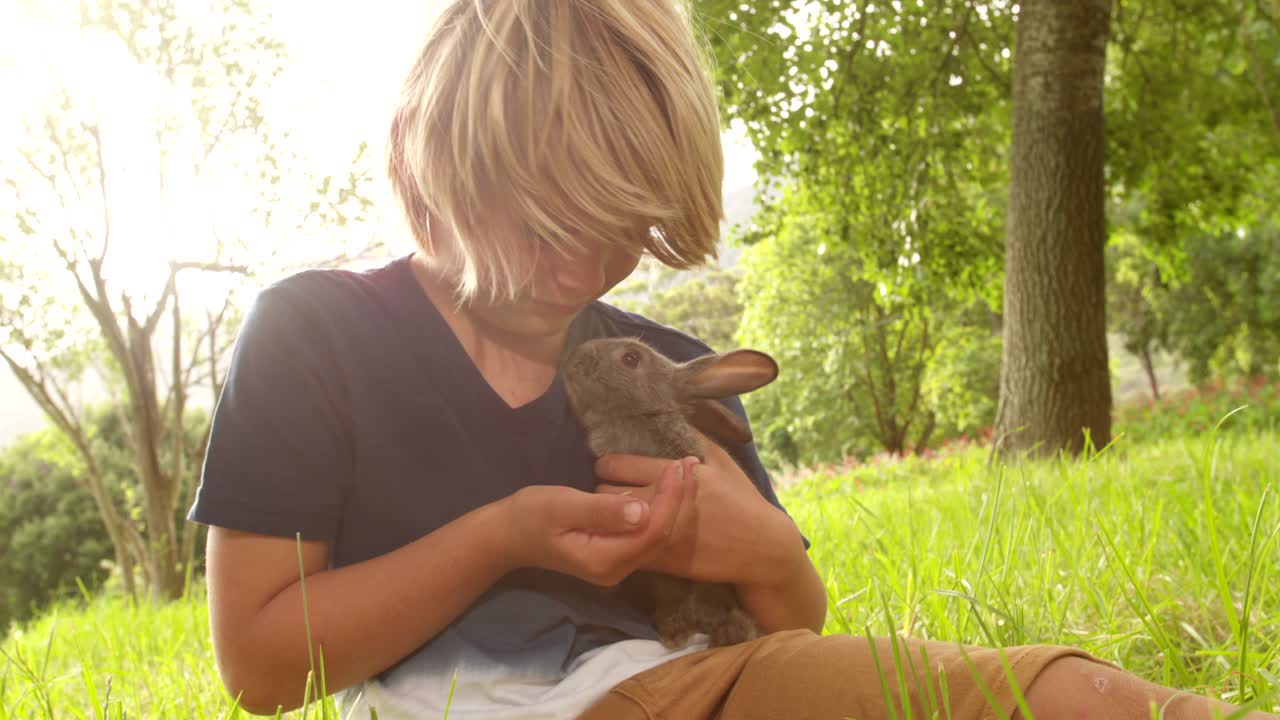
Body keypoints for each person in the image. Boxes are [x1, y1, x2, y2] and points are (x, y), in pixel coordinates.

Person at [188, 1, 1275, 718]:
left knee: (1044, 697)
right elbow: (262, 665)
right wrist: (502, 537)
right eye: (539, 215)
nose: (577, 263)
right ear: (436, 161)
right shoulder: (314, 335)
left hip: (694, 685)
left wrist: (754, 544)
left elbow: (788, 635)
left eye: (617, 221)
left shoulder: (661, 368)